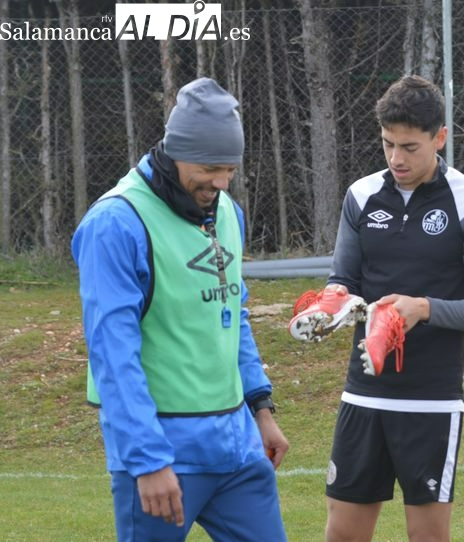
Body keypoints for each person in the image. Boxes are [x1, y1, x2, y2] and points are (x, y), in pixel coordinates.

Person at [72, 77, 289, 542]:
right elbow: (112, 352)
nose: (221, 182)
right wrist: (147, 460)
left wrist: (260, 407)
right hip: (164, 454)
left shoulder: (227, 211)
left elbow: (234, 312)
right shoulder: (115, 225)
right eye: (211, 167)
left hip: (238, 447)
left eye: (230, 169)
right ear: (175, 151)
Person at [318, 74, 464, 542]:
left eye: (410, 147)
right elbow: (342, 279)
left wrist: (423, 308)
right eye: (388, 145)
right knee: (342, 535)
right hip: (363, 392)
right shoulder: (361, 196)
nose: (396, 159)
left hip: (430, 398)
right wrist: (330, 307)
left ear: (439, 137)